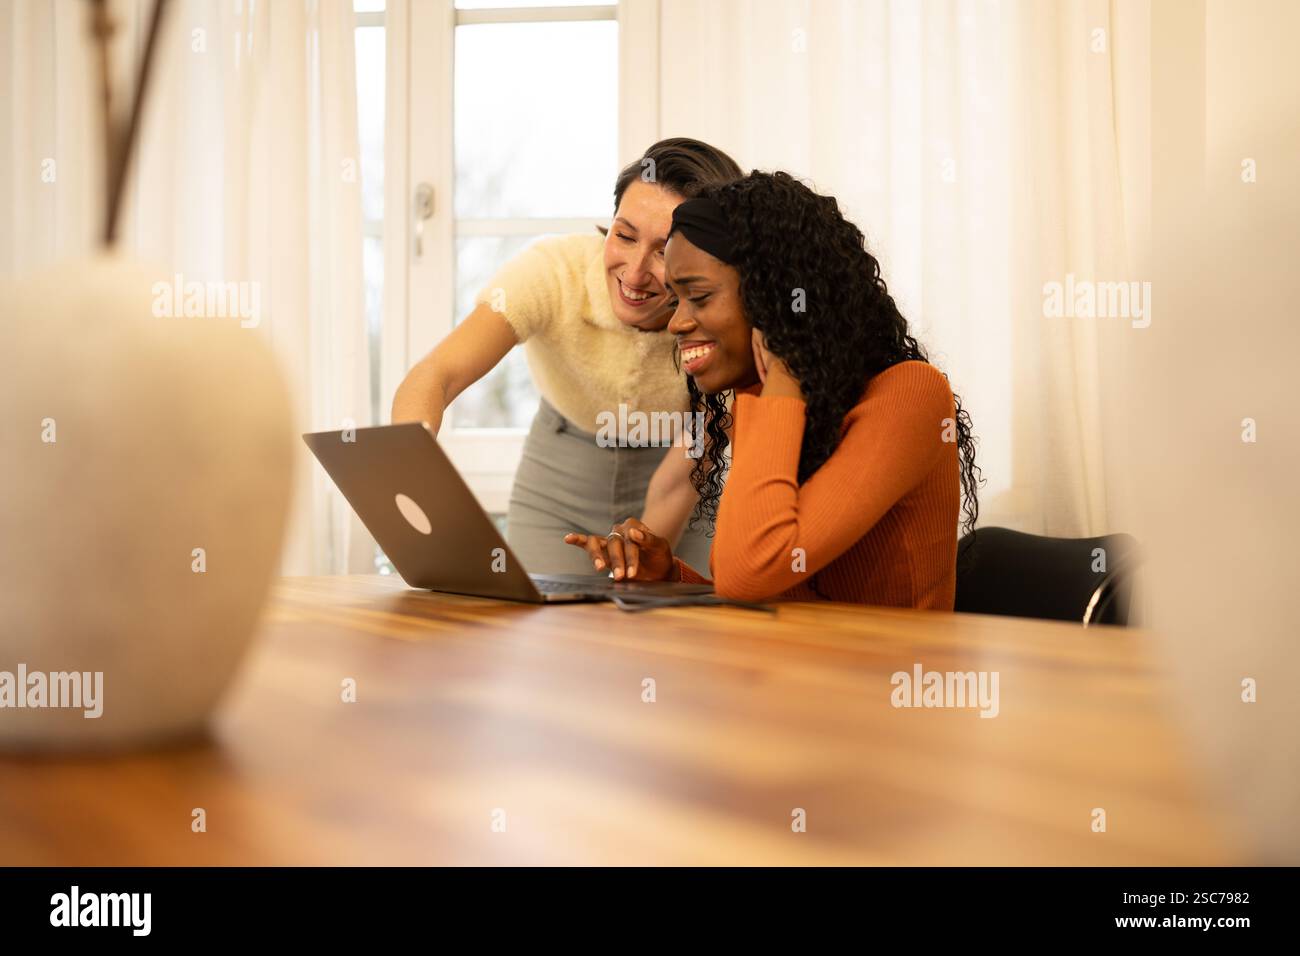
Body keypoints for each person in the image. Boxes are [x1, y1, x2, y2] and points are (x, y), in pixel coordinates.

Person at [564, 170, 981, 608]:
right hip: (795, 652)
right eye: (675, 299)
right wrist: (669, 576)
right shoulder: (769, 397)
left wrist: (781, 379)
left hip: (882, 656)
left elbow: (749, 574)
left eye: (698, 297)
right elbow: (763, 587)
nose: (677, 322)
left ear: (773, 299)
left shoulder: (909, 395)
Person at [392, 138, 742, 573]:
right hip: (558, 477)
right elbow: (437, 373)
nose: (634, 273)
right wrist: (412, 462)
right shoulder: (552, 272)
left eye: (664, 250)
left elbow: (681, 477)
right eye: (624, 235)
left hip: (678, 475)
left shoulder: (726, 320)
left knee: (669, 610)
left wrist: (639, 560)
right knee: (539, 614)